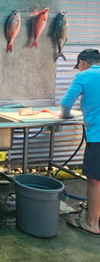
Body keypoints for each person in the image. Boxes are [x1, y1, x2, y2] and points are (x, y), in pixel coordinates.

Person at [60, 48, 100, 236]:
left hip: (98, 137)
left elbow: (66, 103)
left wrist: (65, 115)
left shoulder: (84, 76)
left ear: (82, 63)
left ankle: (91, 223)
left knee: (95, 181)